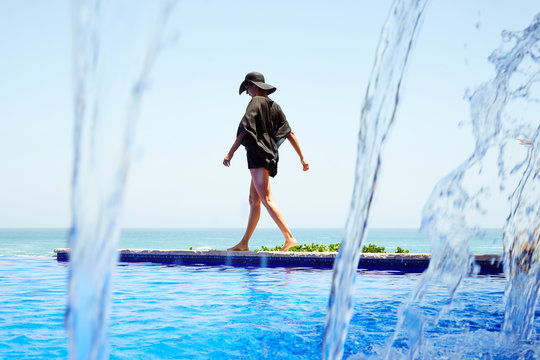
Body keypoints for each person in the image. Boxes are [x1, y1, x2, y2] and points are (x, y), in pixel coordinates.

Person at [223, 71, 309, 251]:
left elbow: (245, 130)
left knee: (266, 199)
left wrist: (230, 153)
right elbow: (289, 133)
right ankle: (244, 243)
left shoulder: (255, 102)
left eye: (247, 87)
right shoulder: (274, 105)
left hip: (257, 155)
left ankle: (289, 237)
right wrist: (302, 157)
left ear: (255, 86)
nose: (247, 92)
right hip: (269, 155)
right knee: (254, 199)